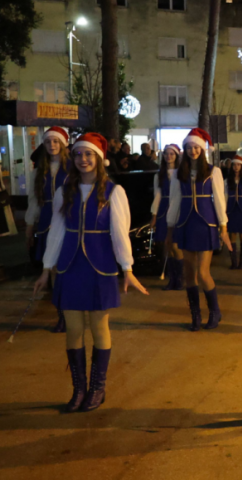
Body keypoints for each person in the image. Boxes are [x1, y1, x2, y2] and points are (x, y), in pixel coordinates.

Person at [32, 133, 149, 412]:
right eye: (78, 154)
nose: (83, 159)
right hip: (70, 266)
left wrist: (127, 268)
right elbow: (57, 233)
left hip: (101, 266)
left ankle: (97, 388)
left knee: (99, 327)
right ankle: (79, 389)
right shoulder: (65, 191)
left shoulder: (114, 192)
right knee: (73, 330)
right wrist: (47, 268)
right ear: (72, 159)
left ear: (99, 159)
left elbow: (120, 234)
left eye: (89, 155)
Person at [166, 128, 232, 331]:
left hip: (206, 224)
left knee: (203, 273)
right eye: (189, 147)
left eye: (196, 147)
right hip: (186, 224)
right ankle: (195, 314)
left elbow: (220, 201)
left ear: (203, 149)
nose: (193, 151)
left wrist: (223, 226)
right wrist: (170, 225)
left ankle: (215, 311)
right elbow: (175, 201)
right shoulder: (178, 173)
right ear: (185, 150)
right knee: (189, 274)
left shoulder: (214, 171)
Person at [26, 127, 71, 333]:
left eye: (56, 141)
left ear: (62, 144)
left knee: (68, 269)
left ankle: (73, 312)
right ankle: (61, 315)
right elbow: (34, 201)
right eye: (48, 142)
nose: (52, 145)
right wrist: (29, 227)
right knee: (51, 268)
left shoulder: (73, 168)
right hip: (46, 221)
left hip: (68, 220)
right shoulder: (38, 171)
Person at [149, 144, 183, 290]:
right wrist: (154, 215)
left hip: (178, 210)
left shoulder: (181, 173)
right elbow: (157, 195)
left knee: (175, 245)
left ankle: (180, 279)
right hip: (163, 210)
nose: (168, 156)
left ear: (176, 156)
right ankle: (172, 279)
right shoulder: (159, 175)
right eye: (166, 154)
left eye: (171, 154)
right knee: (167, 245)